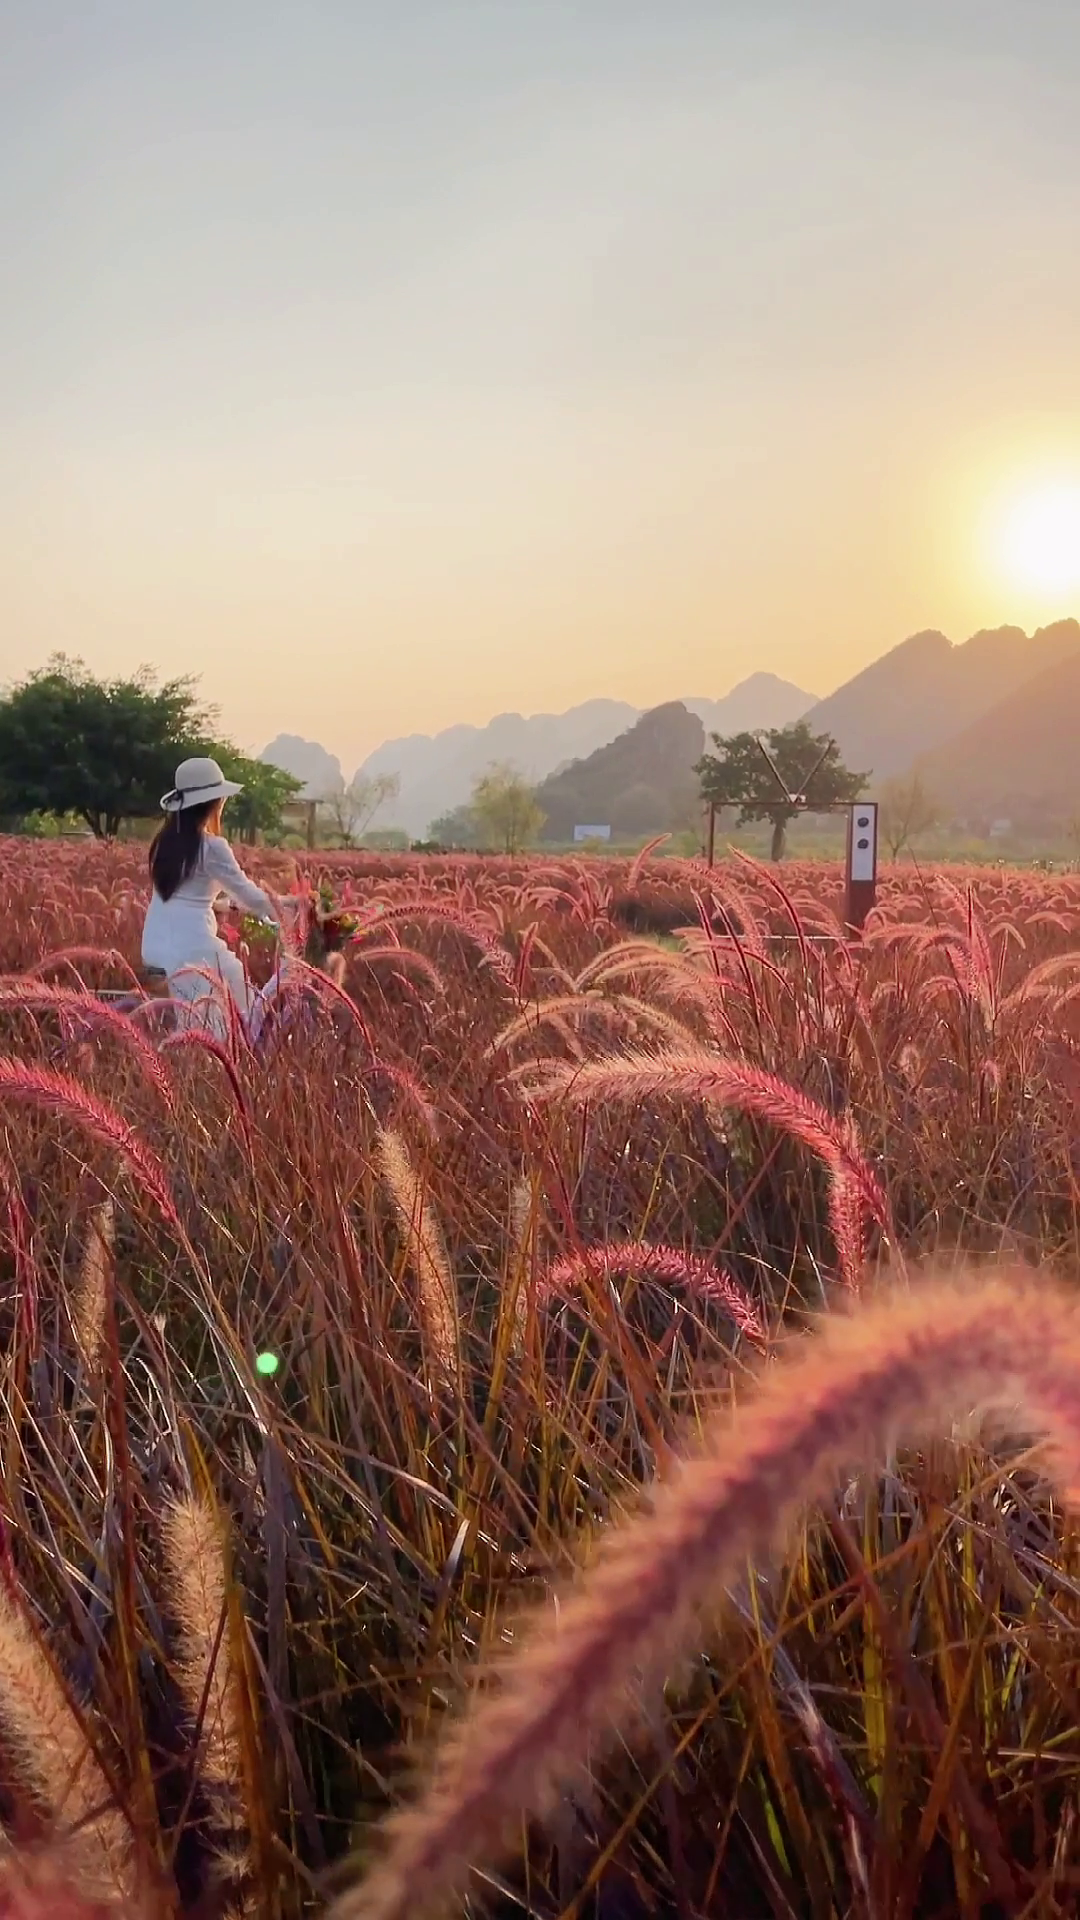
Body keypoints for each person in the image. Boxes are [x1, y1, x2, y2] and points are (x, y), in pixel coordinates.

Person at [142, 756, 281, 1031]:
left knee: (212, 1002)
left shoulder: (164, 843)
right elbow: (249, 896)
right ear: (215, 803)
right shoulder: (212, 846)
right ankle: (230, 1052)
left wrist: (221, 906)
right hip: (191, 949)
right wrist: (290, 909)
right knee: (238, 995)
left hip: (155, 944)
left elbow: (187, 896)